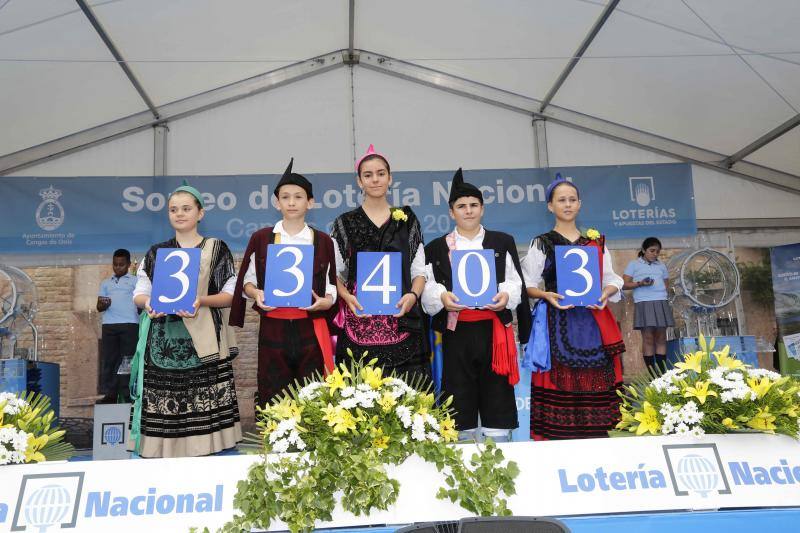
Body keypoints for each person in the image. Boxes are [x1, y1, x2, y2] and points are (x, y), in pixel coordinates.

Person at [130, 181, 241, 458]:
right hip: (163, 342)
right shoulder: (155, 253)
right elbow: (140, 293)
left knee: (203, 401)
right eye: (173, 209)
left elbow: (231, 292)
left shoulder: (216, 249)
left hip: (203, 341)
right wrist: (149, 305)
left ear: (200, 213)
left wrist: (202, 301)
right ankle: (162, 453)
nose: (179, 214)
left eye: (186, 208)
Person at [422, 168, 531, 441]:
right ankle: (463, 453)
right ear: (451, 212)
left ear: (482, 209)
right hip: (455, 333)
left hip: (494, 332)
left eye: (473, 205)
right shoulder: (436, 247)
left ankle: (499, 450)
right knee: (458, 394)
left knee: (497, 392)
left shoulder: (500, 241)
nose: (467, 210)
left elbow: (514, 280)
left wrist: (506, 296)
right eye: (461, 206)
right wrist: (442, 298)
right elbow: (428, 285)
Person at [521, 175, 624, 440]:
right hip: (557, 321)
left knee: (595, 383)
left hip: (592, 322)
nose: (567, 205)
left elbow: (612, 279)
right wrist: (545, 294)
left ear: (579, 204)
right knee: (560, 382)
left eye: (572, 199)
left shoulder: (595, 241)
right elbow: (527, 283)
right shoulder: (541, 242)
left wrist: (605, 293)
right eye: (561, 200)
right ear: (550, 206)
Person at [230, 158, 337, 407]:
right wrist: (255, 294)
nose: (291, 202)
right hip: (273, 326)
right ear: (276, 203)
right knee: (273, 393)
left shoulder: (322, 241)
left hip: (310, 326)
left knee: (313, 394)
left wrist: (325, 302)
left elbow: (332, 285)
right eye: (285, 197)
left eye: (298, 197)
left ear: (310, 202)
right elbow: (248, 281)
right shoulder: (262, 238)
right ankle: (275, 442)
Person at [331, 144, 429, 382]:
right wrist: (346, 297)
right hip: (359, 320)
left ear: (390, 178)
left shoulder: (407, 220)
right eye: (368, 175)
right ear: (359, 182)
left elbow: (419, 271)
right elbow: (334, 273)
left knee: (408, 404)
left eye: (380, 173)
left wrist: (413, 297)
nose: (375, 179)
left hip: (402, 320)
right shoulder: (345, 223)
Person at [623, 237, 674, 374]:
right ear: (644, 250)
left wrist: (662, 294)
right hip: (643, 303)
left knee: (661, 337)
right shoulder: (633, 264)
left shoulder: (661, 266)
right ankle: (652, 375)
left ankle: (662, 374)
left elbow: (666, 283)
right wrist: (640, 283)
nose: (655, 254)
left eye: (657, 251)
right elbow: (624, 284)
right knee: (648, 338)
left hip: (660, 301)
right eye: (652, 250)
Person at [96, 248, 138, 404]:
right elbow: (99, 307)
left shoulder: (135, 281)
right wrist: (102, 304)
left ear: (128, 264)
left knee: (127, 360)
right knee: (110, 360)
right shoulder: (106, 283)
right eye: (115, 264)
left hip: (130, 324)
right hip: (109, 325)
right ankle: (110, 394)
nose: (118, 267)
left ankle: (127, 393)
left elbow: (141, 303)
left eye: (121, 264)